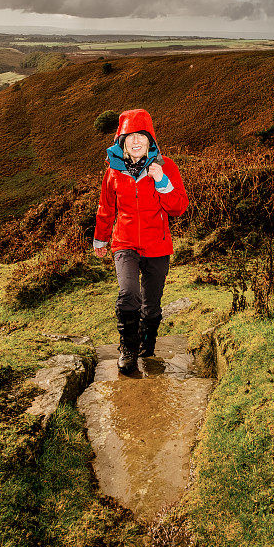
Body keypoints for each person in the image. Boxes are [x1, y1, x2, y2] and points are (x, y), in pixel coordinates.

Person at [93, 108, 189, 372]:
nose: (136, 141)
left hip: (157, 244)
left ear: (151, 141)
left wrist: (162, 181)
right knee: (128, 294)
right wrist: (100, 239)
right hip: (124, 243)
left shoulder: (166, 166)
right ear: (121, 141)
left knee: (152, 304)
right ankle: (128, 349)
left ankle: (148, 345)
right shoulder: (113, 171)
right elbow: (106, 208)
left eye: (141, 136)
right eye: (130, 136)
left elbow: (179, 207)